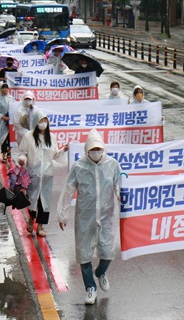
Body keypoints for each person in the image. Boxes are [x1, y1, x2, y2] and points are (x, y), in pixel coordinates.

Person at [58, 129, 122, 305]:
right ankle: (90, 288)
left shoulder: (113, 164)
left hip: (107, 214)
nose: (96, 152)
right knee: (84, 253)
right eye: (93, 149)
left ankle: (100, 272)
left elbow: (119, 183)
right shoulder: (78, 167)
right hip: (85, 216)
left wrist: (119, 194)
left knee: (108, 251)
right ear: (87, 150)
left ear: (103, 149)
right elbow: (68, 190)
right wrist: (62, 215)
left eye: (98, 148)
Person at [18, 111, 68, 236]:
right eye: (40, 121)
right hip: (33, 174)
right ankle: (31, 219)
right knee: (32, 198)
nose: (43, 123)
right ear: (36, 122)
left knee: (44, 201)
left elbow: (55, 155)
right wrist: (22, 159)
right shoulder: (28, 137)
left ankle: (40, 226)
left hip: (47, 175)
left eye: (45, 121)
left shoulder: (51, 138)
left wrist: (63, 150)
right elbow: (22, 152)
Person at [0, 83, 15, 160]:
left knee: (10, 138)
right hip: (2, 122)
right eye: (3, 88)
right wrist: (2, 117)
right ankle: (4, 154)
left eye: (6, 88)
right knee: (3, 138)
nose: (4, 89)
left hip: (11, 121)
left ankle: (9, 151)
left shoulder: (12, 99)